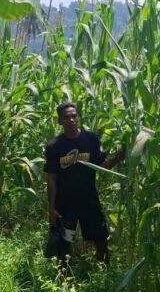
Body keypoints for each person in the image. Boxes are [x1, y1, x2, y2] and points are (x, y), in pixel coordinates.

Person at [45, 102, 124, 266]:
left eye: (74, 116)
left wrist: (118, 157)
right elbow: (51, 178)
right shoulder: (54, 146)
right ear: (60, 121)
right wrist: (51, 208)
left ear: (79, 117)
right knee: (63, 242)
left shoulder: (91, 139)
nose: (71, 120)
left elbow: (101, 166)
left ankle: (103, 272)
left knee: (100, 237)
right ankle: (64, 279)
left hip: (89, 199)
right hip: (64, 202)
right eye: (66, 117)